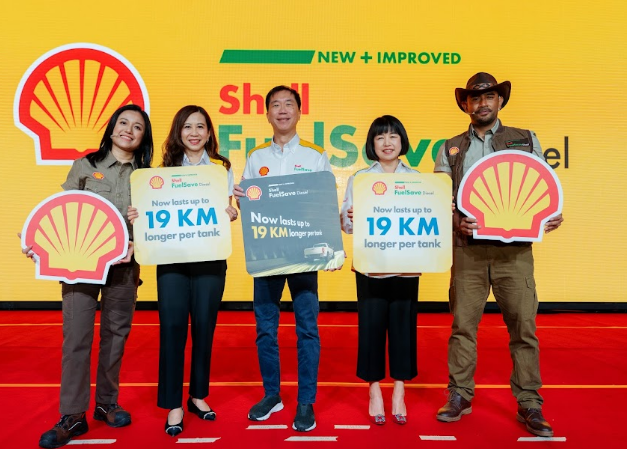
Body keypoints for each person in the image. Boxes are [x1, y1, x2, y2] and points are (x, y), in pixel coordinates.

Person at [434, 73, 564, 437]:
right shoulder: (450, 147)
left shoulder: (525, 138)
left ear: (500, 101)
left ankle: (530, 403)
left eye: (489, 96)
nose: (482, 103)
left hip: (515, 253)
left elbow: (542, 184)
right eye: (474, 98)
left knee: (524, 328)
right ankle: (459, 395)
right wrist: (455, 220)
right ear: (465, 105)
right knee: (463, 327)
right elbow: (438, 199)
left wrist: (551, 213)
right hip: (468, 252)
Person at [22, 104, 154, 448]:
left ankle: (107, 403)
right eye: (123, 123)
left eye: (137, 127)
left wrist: (138, 242)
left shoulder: (148, 177)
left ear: (143, 137)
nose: (128, 130)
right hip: (79, 265)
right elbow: (63, 213)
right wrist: (39, 243)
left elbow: (157, 226)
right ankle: (73, 415)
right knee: (77, 338)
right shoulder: (85, 165)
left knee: (115, 336)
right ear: (111, 128)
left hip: (125, 267)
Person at [128, 105, 238, 437]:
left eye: (200, 126)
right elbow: (151, 213)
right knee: (173, 328)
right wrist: (138, 216)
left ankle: (197, 395)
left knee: (205, 327)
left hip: (210, 259)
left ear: (209, 133)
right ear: (178, 132)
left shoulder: (221, 170)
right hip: (171, 261)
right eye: (187, 126)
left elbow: (226, 209)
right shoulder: (161, 173)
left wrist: (230, 213)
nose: (194, 133)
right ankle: (173, 402)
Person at [233, 85, 333, 432]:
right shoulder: (256, 157)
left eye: (289, 104)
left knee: (307, 329)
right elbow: (248, 205)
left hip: (304, 255)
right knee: (265, 329)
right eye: (275, 105)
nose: (282, 110)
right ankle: (272, 395)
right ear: (267, 114)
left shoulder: (316, 155)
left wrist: (329, 250)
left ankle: (305, 402)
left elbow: (324, 205)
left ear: (299, 112)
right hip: (268, 254)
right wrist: (241, 197)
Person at [340, 115, 420, 426]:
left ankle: (399, 390)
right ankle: (374, 390)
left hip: (406, 267)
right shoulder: (360, 179)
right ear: (372, 144)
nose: (387, 143)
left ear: (402, 142)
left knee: (403, 329)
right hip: (370, 267)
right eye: (380, 137)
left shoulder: (417, 179)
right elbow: (347, 226)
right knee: (370, 329)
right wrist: (349, 217)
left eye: (393, 136)